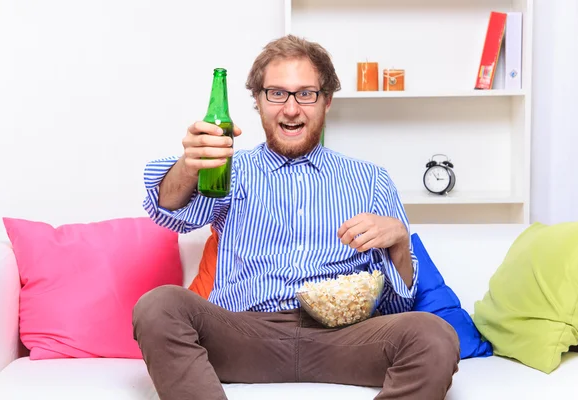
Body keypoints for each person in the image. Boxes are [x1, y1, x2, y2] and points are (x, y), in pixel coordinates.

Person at [133, 34, 460, 400]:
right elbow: (170, 213)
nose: (291, 108)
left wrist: (399, 242)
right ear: (258, 101)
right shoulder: (230, 170)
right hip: (244, 335)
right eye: (276, 93)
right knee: (158, 305)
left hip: (344, 339)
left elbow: (397, 306)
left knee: (434, 334)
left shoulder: (371, 180)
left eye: (306, 93)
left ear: (327, 101)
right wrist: (189, 165)